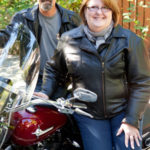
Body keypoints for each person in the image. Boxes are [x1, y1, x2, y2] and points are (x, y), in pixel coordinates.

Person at [35, 0, 150, 149]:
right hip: (88, 112)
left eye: (105, 8)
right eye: (93, 7)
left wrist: (131, 120)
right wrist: (45, 92)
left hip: (122, 110)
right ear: (84, 11)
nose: (99, 12)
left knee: (128, 146)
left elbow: (142, 83)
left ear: (113, 12)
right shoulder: (69, 39)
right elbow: (54, 69)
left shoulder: (130, 41)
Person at [0, 0, 81, 94]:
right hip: (35, 80)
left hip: (62, 82)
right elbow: (8, 35)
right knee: (36, 108)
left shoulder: (72, 19)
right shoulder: (23, 18)